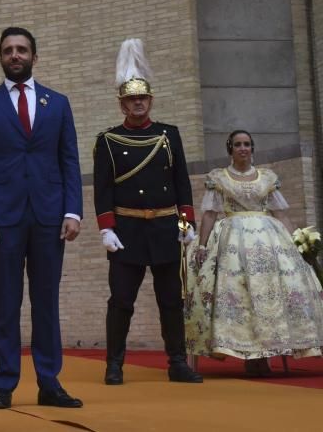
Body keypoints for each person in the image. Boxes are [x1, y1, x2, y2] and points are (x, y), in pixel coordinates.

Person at [0, 27, 83, 410]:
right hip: (3, 218)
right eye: (8, 50)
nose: (15, 55)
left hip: (50, 215)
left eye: (21, 49)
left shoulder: (59, 104)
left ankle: (49, 382)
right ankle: (4, 382)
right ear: (0, 57)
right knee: (7, 303)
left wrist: (73, 210)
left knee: (46, 300)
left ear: (35, 56)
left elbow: (70, 161)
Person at [93, 39, 203, 386]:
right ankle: (114, 364)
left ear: (150, 100)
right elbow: (103, 189)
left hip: (165, 228)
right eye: (131, 99)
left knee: (171, 301)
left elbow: (181, 181)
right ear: (122, 103)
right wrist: (106, 228)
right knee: (121, 302)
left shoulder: (169, 135)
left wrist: (186, 221)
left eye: (143, 98)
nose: (137, 103)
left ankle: (177, 362)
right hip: (127, 230)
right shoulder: (108, 140)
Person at [185, 130, 323, 375]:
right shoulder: (219, 177)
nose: (243, 148)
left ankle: (272, 349)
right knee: (239, 292)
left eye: (247, 144)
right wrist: (203, 245)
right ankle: (249, 353)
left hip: (270, 238)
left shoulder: (267, 177)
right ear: (230, 148)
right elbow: (210, 213)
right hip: (231, 240)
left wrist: (297, 243)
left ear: (252, 148)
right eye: (237, 144)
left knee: (275, 290)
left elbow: (280, 213)